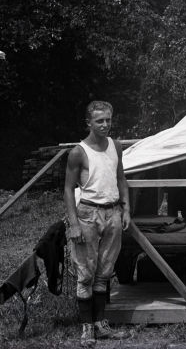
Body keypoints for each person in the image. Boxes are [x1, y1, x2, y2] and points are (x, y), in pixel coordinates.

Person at [64, 101, 130, 346]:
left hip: (113, 213)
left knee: (104, 271)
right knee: (86, 273)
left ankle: (101, 324)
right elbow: (68, 189)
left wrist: (127, 209)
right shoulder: (78, 152)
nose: (105, 125)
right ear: (88, 123)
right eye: (99, 121)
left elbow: (121, 178)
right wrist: (74, 223)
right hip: (88, 215)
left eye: (108, 120)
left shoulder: (116, 146)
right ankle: (86, 328)